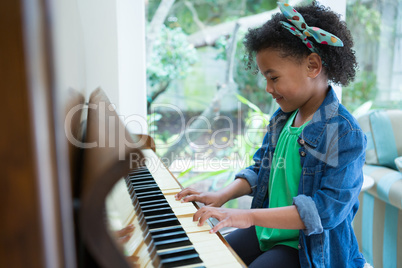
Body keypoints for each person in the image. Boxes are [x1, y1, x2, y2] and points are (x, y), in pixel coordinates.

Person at [175, 1, 367, 268]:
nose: (267, 88)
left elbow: (324, 211)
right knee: (212, 257)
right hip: (269, 231)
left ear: (313, 66)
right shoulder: (284, 118)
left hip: (307, 248)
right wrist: (221, 196)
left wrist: (250, 216)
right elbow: (261, 169)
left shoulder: (343, 133)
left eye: (273, 78)